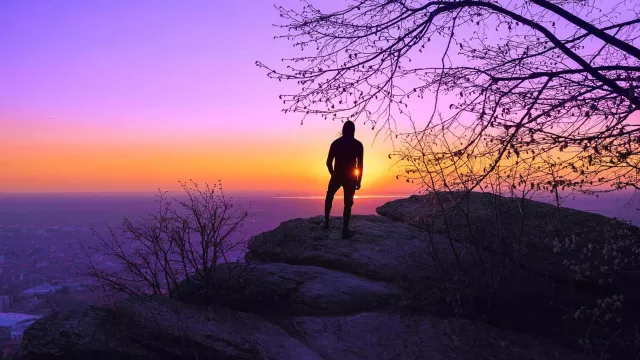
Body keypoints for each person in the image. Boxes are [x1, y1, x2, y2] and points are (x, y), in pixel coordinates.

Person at [324, 120, 363, 239]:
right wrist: (358, 180)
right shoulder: (358, 145)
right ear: (354, 131)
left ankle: (326, 223)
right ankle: (344, 231)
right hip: (350, 178)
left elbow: (328, 162)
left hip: (337, 175)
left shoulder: (336, 143)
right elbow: (360, 165)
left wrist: (333, 174)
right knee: (348, 204)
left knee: (329, 196)